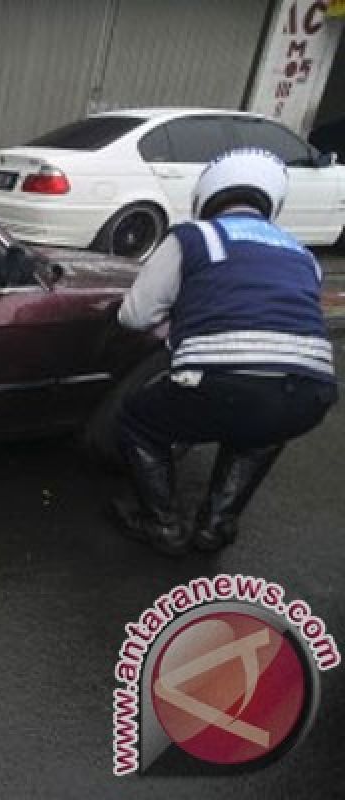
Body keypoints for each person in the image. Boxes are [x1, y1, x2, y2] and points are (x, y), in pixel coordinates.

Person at [113, 148, 337, 556]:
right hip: (312, 390)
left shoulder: (193, 237)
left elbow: (134, 315)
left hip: (220, 382)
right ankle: (215, 527)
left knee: (139, 422)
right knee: (261, 432)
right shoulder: (302, 253)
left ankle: (163, 523)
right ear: (270, 203)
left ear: (206, 197)